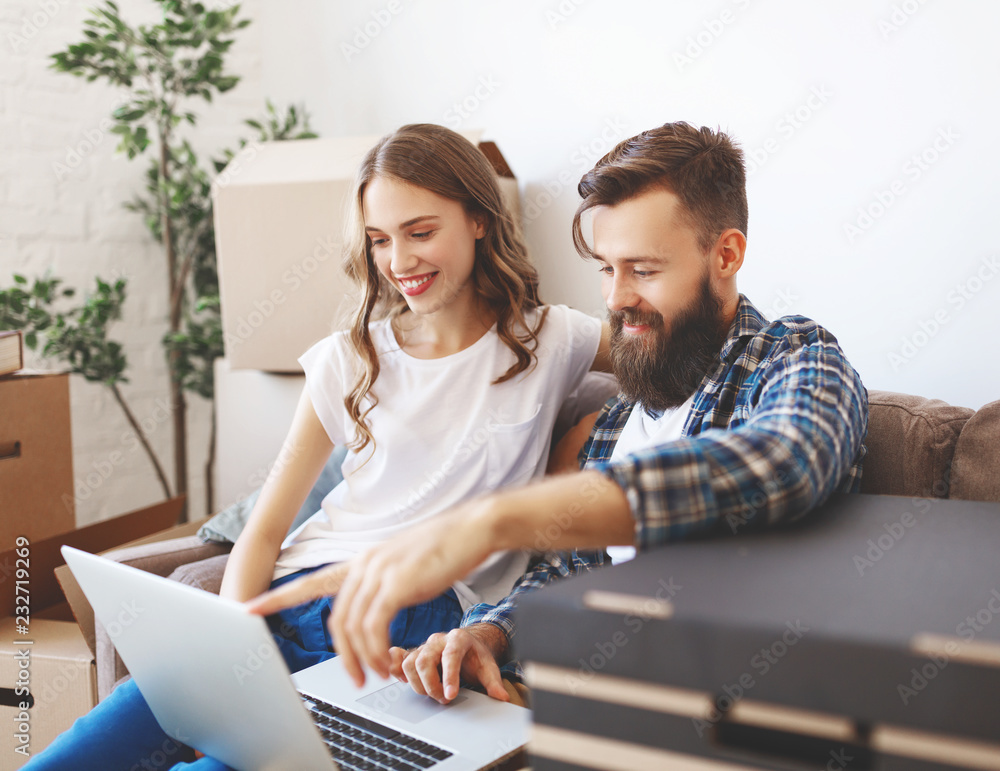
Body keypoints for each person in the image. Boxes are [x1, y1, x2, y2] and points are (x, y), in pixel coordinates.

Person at [25, 123, 609, 770]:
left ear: (477, 219)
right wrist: (230, 646)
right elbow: (268, 526)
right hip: (298, 594)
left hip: (411, 617)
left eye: (420, 231)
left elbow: (665, 345)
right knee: (80, 751)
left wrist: (586, 441)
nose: (399, 261)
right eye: (379, 239)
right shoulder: (349, 359)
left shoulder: (551, 338)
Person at [249, 121, 869, 707]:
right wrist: (483, 637)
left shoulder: (791, 355)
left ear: (726, 255)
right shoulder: (626, 403)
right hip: (570, 687)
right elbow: (569, 569)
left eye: (644, 270)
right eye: (605, 268)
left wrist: (492, 522)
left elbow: (789, 462)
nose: (616, 299)